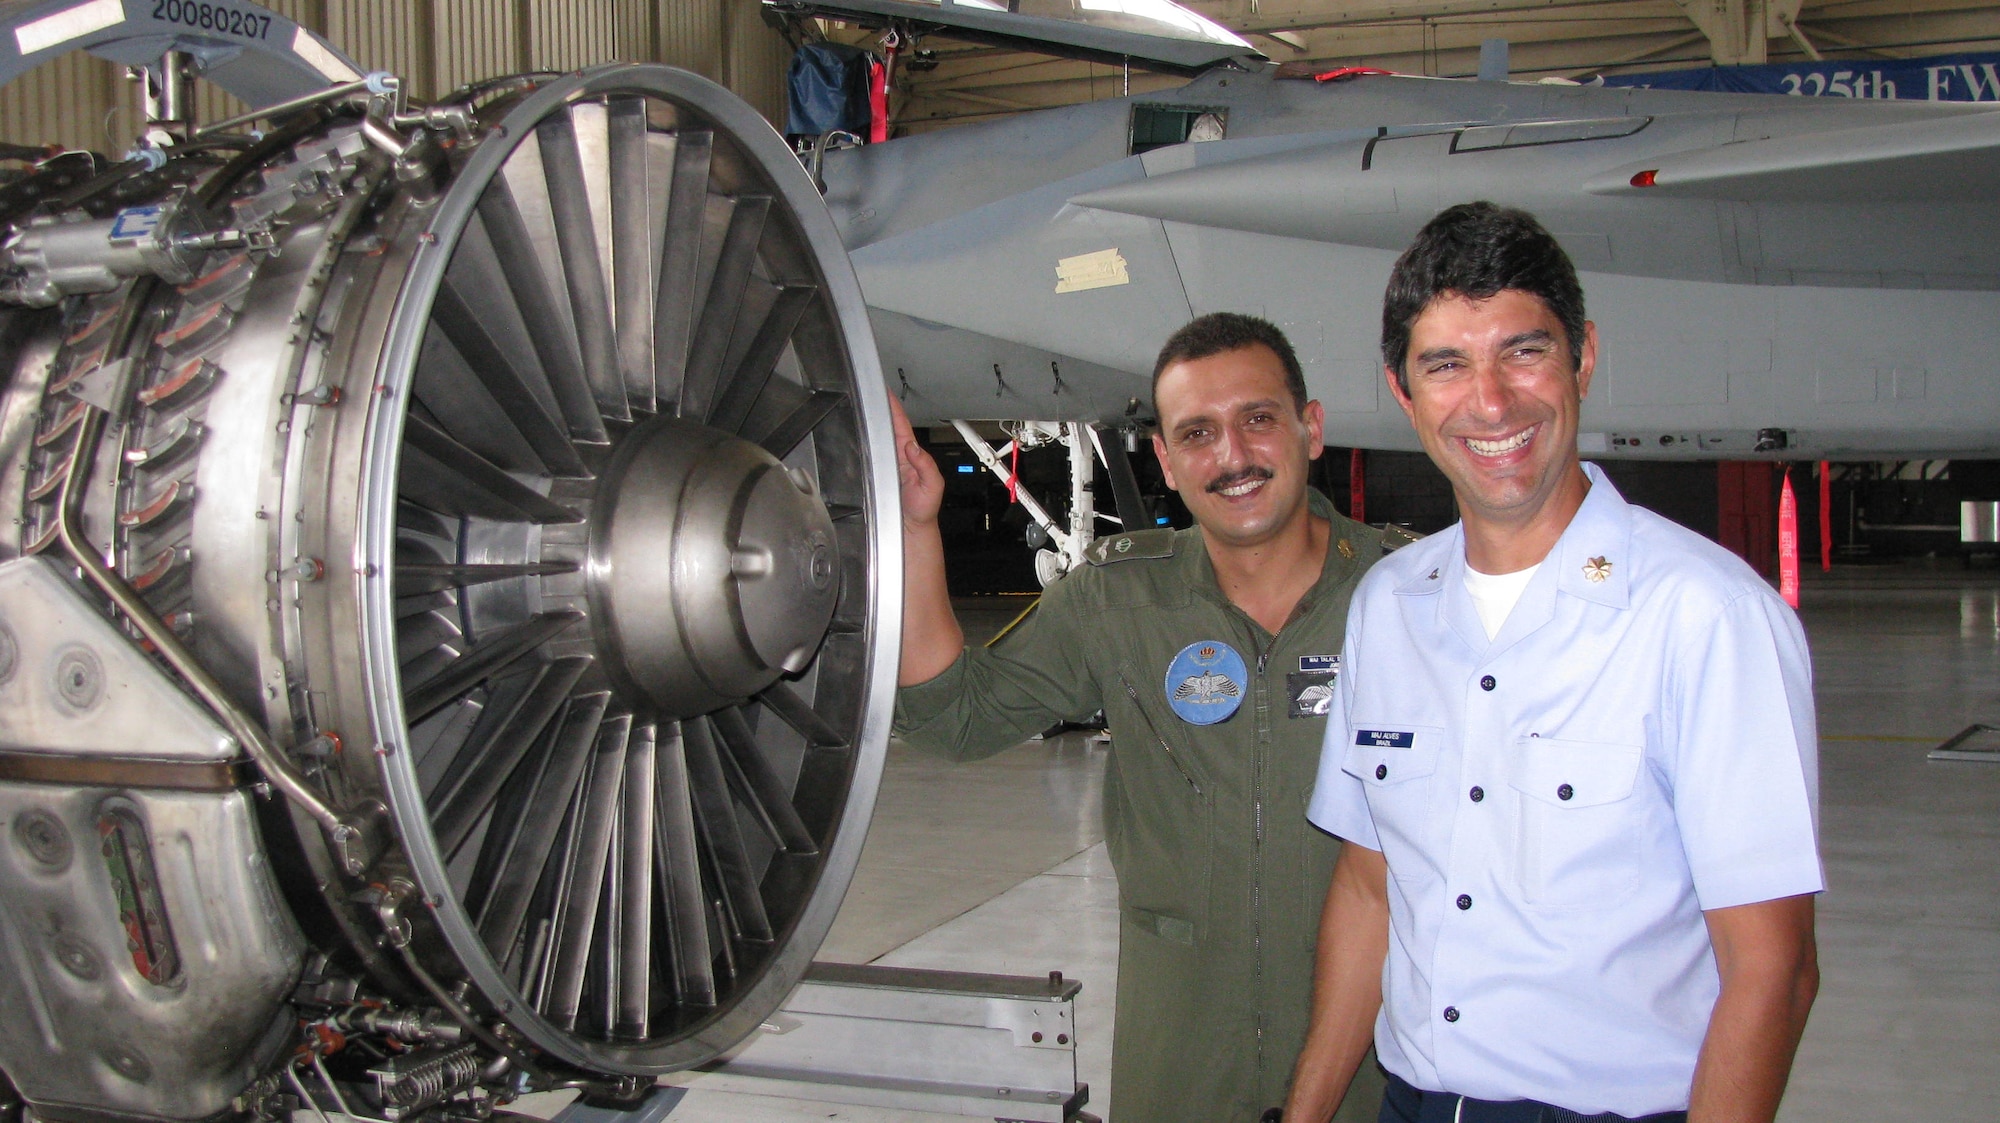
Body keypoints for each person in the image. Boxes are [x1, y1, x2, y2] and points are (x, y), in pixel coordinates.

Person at [1283, 202, 1823, 1123]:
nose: (1490, 402)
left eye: (1524, 351)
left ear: (1583, 356)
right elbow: (1371, 889)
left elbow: (1774, 972)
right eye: (1446, 364)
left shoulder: (1705, 617)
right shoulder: (1388, 605)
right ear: (1403, 391)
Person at [893, 313, 1388, 1123]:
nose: (1231, 455)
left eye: (1258, 419)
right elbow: (953, 718)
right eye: (1197, 431)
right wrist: (917, 527)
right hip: (1181, 1073)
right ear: (1165, 457)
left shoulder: (1405, 593)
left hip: (1369, 1078)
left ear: (1312, 427)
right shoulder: (1119, 599)